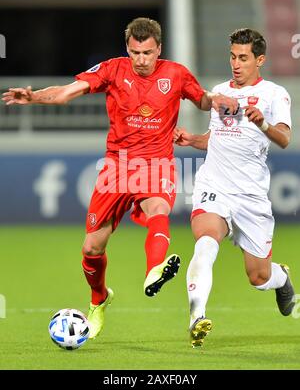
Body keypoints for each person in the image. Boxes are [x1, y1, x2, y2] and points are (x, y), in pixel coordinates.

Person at [2, 17, 237, 340]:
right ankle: (99, 299)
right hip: (117, 168)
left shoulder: (176, 74)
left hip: (157, 163)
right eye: (135, 52)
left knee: (159, 209)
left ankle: (154, 269)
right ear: (127, 49)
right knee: (92, 248)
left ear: (159, 50)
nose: (141, 60)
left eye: (148, 53)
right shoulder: (112, 70)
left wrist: (218, 100)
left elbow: (202, 100)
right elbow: (67, 93)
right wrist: (35, 97)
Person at [174, 28, 295, 348]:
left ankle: (281, 278)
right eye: (232, 56)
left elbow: (284, 138)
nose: (236, 64)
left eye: (243, 58)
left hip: (251, 196)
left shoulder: (274, 94)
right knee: (206, 240)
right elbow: (217, 139)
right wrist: (193, 140)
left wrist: (262, 123)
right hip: (214, 185)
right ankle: (197, 317)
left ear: (260, 60)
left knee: (258, 278)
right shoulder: (219, 92)